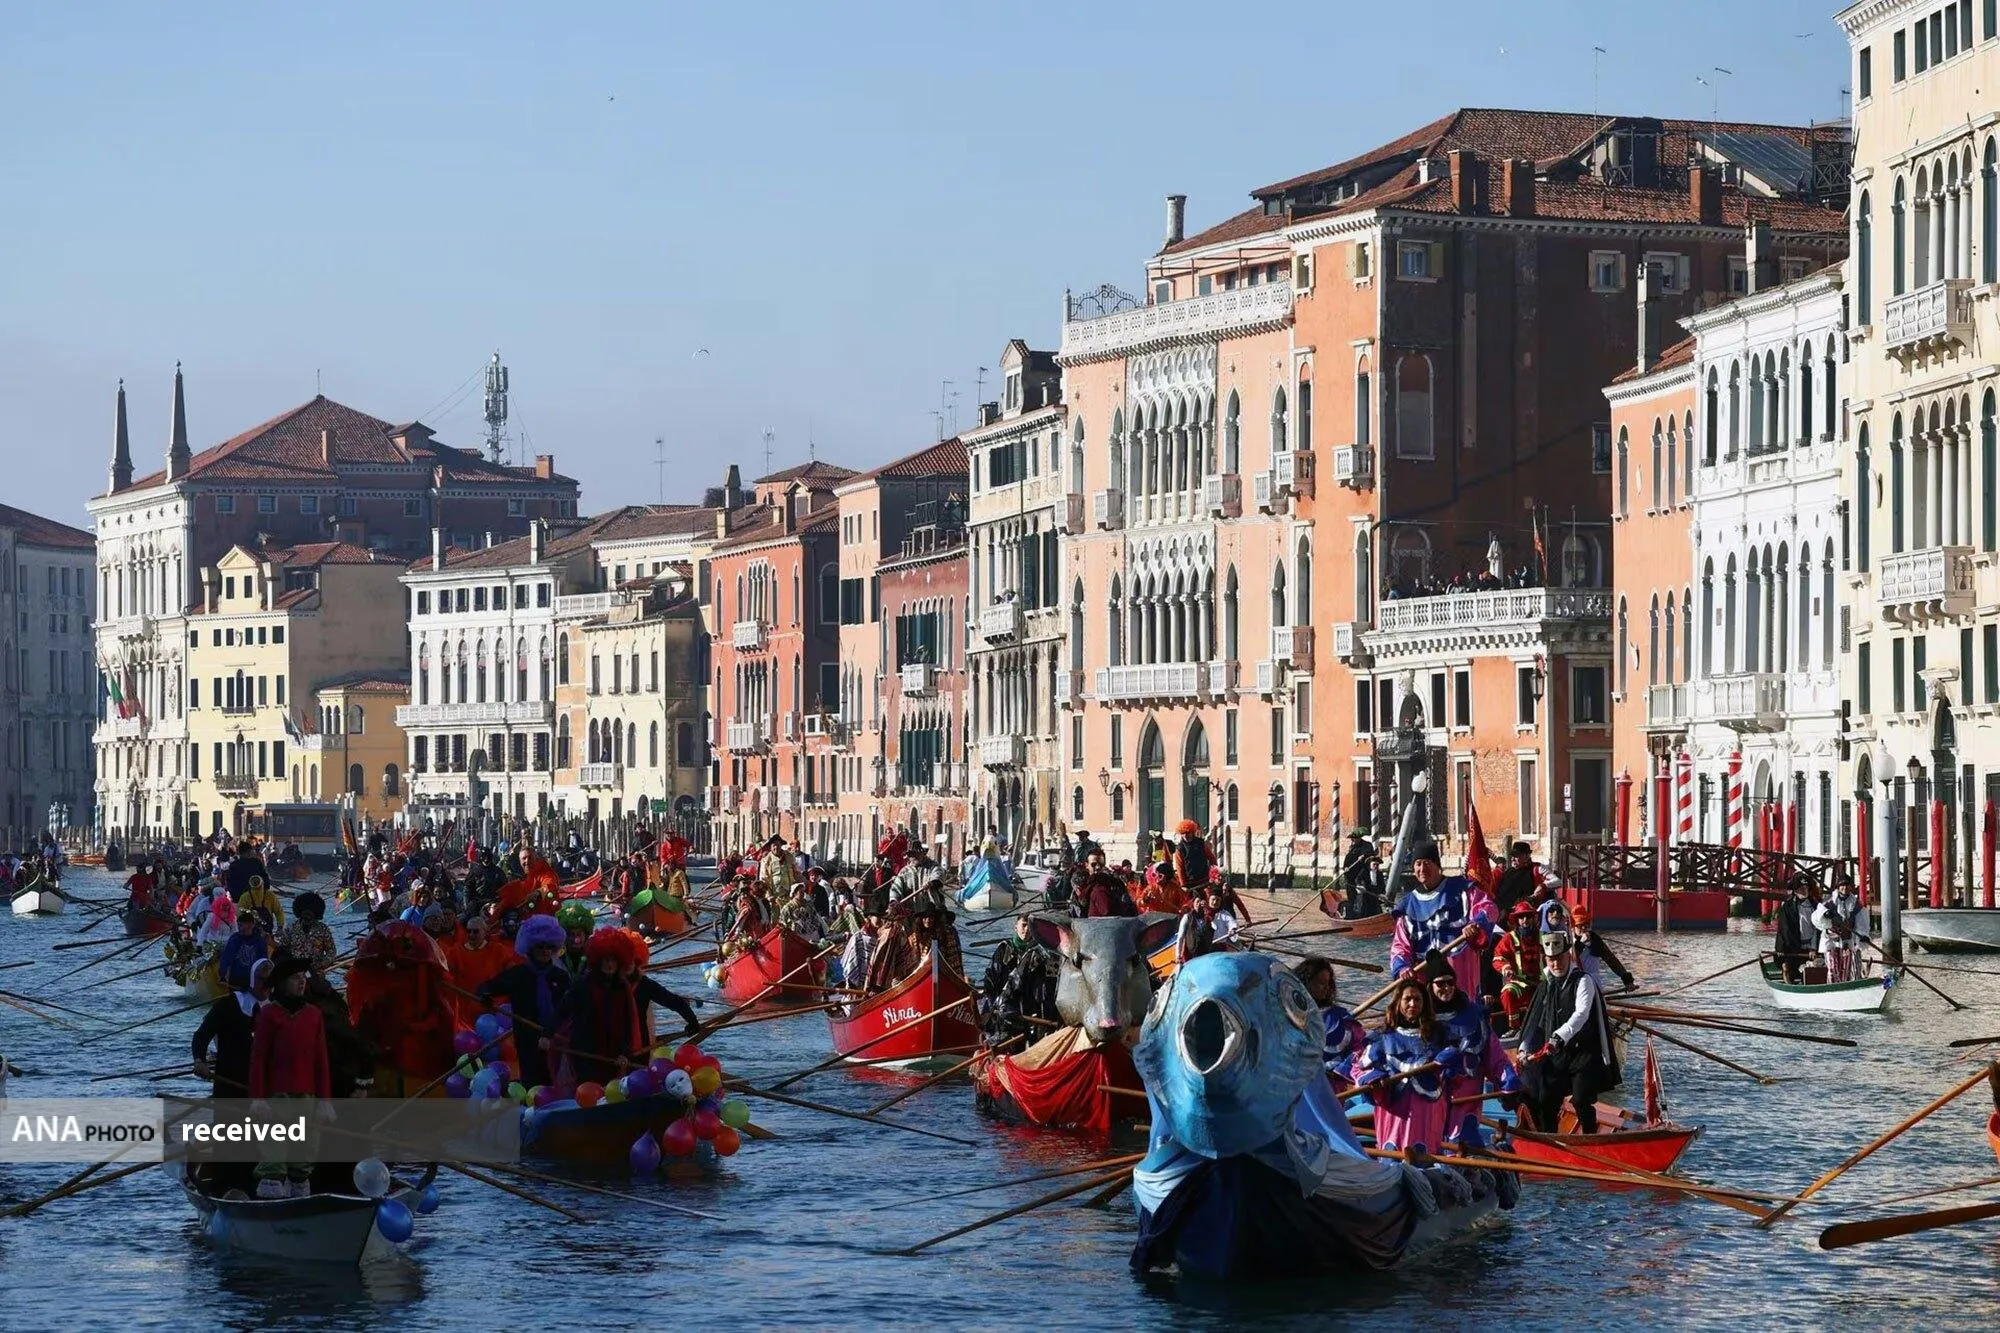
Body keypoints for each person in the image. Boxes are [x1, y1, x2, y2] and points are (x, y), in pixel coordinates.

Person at [1516, 928, 1618, 1134]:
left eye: (1560, 958)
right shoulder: (1546, 985)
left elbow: (1581, 1014)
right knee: (1546, 1100)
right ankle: (1551, 1140)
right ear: (1545, 960)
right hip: (1556, 1055)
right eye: (1551, 960)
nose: (1556, 964)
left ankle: (1590, 1139)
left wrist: (1558, 1036)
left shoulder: (1584, 981)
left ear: (1568, 955)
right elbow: (1534, 1020)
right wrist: (1523, 1049)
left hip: (1583, 1054)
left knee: (1581, 1101)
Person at [248, 955, 331, 1197]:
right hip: (277, 1094)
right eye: (295, 978)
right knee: (274, 1147)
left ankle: (299, 1186)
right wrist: (258, 1098)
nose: (301, 982)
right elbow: (258, 1059)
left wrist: (325, 1100)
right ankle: (272, 1187)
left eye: (303, 978)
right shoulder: (270, 1014)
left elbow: (321, 1060)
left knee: (305, 1147)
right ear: (282, 983)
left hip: (307, 1094)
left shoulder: (314, 1015)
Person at [1423, 951, 1518, 1147]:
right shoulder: (1420, 1018)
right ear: (1430, 986)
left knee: (1465, 1140)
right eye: (1440, 984)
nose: (1446, 988)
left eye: (1450, 982)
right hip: (1431, 1100)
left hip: (1467, 1099)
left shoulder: (1474, 1015)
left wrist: (1506, 1077)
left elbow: (1494, 1055)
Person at [1351, 978, 1453, 1155]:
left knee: (1424, 1152)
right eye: (1408, 999)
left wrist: (1449, 1061)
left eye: (1417, 999)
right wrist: (1374, 1078)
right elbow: (1358, 1067)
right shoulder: (1382, 1037)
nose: (1413, 1004)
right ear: (1398, 1002)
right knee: (1394, 1152)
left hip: (1428, 1108)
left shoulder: (1438, 1035)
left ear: (1425, 1004)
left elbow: (1453, 1070)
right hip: (1394, 1109)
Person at [1388, 842, 1496, 998]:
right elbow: (1400, 945)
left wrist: (1476, 924)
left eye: (1427, 863)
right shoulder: (1407, 906)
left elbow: (1489, 908)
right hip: (1425, 975)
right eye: (1418, 864)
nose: (1422, 869)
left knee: (1463, 1003)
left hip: (1460, 970)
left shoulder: (1463, 891)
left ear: (1437, 865)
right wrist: (1402, 967)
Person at [477, 915, 573, 1089]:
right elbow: (487, 987)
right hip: (528, 1041)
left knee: (556, 1083)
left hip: (556, 1040)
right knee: (532, 1086)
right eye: (540, 946)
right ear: (531, 947)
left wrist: (552, 1032)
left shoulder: (560, 977)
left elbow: (567, 1008)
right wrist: (485, 995)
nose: (545, 951)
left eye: (549, 947)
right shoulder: (519, 974)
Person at [192, 957, 271, 1094]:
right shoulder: (229, 1004)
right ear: (251, 979)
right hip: (230, 1084)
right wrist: (200, 1061)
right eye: (261, 979)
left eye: (270, 980)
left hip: (265, 1088)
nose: (266, 985)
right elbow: (202, 1034)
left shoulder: (278, 1008)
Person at [1295, 956, 1367, 1094]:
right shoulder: (1287, 1015)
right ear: (1306, 983)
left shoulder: (1340, 1019)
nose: (1326, 988)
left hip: (1331, 1088)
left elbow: (1360, 1048)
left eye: (1328, 983)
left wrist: (1339, 1069)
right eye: (1321, 983)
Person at [1490, 902, 1544, 1035]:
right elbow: (1498, 958)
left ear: (1533, 918)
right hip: (1519, 982)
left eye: (1528, 916)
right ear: (1517, 920)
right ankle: (1515, 1028)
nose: (1525, 920)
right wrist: (1506, 968)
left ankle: (1543, 1027)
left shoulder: (1544, 936)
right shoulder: (1509, 938)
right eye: (1521, 917)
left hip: (1542, 983)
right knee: (1507, 993)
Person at [1813, 874, 1872, 984]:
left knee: (1853, 968)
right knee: (1833, 969)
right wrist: (1825, 915)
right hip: (1832, 942)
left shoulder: (1856, 905)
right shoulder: (1828, 903)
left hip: (1849, 942)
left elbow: (1862, 924)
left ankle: (1855, 985)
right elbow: (1817, 919)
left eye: (1847, 885)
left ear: (1851, 887)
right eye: (1842, 885)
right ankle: (1834, 987)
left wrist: (1863, 936)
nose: (1844, 888)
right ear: (1838, 887)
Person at [1570, 906, 1635, 992]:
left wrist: (1627, 980)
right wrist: (1581, 944)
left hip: (1594, 983)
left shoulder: (1595, 940)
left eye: (1586, 924)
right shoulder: (1567, 941)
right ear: (1573, 927)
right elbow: (1570, 961)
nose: (1583, 928)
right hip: (1574, 984)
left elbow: (1611, 960)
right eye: (1580, 925)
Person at [1772, 873, 1823, 984]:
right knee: (1788, 968)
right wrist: (1781, 948)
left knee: (1814, 969)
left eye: (1806, 888)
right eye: (1801, 889)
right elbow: (1784, 929)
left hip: (1811, 947)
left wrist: (1813, 948)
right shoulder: (1787, 907)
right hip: (1793, 947)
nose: (1804, 891)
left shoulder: (1816, 906)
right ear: (1795, 891)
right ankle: (1788, 980)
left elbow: (1818, 928)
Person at [215, 903, 270, 992]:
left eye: (242, 925)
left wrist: (264, 979)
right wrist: (222, 975)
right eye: (239, 925)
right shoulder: (234, 939)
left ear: (252, 925)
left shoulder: (259, 941)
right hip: (236, 981)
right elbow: (226, 957)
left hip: (253, 982)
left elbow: (264, 961)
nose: (240, 928)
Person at [1491, 842, 1552, 917]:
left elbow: (1557, 881)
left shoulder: (1536, 869)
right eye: (1512, 856)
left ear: (1526, 856)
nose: (1513, 859)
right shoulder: (1508, 872)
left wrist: (1543, 886)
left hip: (1524, 913)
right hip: (1502, 913)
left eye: (1516, 856)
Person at [1341, 833, 1382, 918]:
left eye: (1354, 838)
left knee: (1369, 901)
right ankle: (1353, 915)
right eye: (1352, 839)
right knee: (1353, 897)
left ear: (1359, 838)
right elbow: (1347, 861)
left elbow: (1370, 854)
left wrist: (1363, 856)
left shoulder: (1367, 846)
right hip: (1351, 877)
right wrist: (1345, 868)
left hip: (1361, 875)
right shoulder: (1352, 848)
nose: (1352, 840)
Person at [1170, 820, 1211, 895]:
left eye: (1188, 833)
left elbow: (1211, 858)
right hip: (1190, 883)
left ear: (1192, 832)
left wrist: (1214, 874)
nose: (1185, 835)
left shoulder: (1201, 843)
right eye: (1183, 833)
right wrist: (1183, 884)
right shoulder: (1179, 848)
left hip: (1205, 880)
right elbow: (1179, 868)